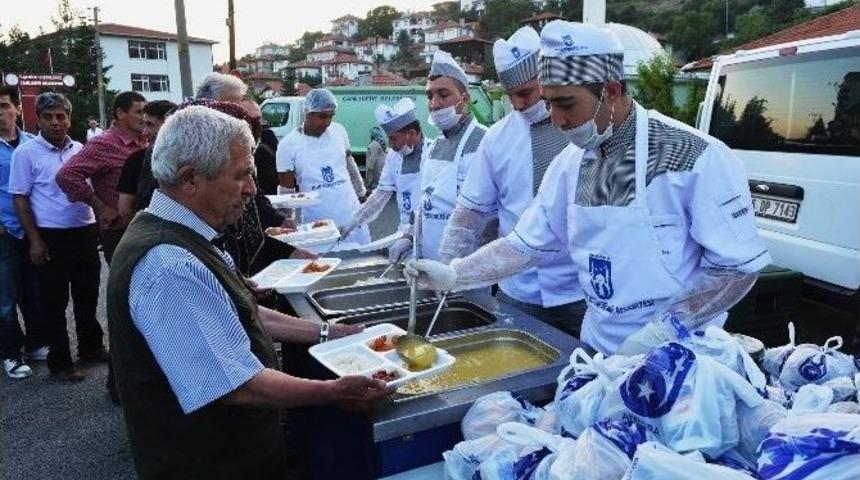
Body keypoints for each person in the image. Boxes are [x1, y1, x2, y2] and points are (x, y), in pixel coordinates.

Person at [405, 21, 771, 355]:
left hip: (679, 355)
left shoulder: (691, 155)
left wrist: (664, 330)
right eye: (549, 104)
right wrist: (456, 273)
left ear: (611, 90)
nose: (557, 120)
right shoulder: (571, 164)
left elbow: (736, 267)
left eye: (566, 104)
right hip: (596, 347)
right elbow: (525, 244)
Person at [107, 106, 391, 479]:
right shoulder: (169, 265)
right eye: (243, 175)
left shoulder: (189, 233)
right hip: (210, 464)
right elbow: (237, 385)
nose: (252, 190)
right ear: (190, 179)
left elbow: (244, 310)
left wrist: (332, 332)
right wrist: (334, 390)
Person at [437, 27, 586, 334]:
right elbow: (469, 215)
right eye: (509, 95)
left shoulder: (583, 130)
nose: (517, 104)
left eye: (526, 93)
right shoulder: (497, 139)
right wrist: (446, 267)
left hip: (580, 290)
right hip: (519, 290)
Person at [9, 93, 105, 381]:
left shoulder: (81, 149)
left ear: (69, 119)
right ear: (37, 120)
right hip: (51, 237)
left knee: (87, 296)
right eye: (48, 117)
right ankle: (60, 362)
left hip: (85, 232)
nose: (55, 122)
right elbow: (20, 199)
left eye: (60, 116)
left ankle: (90, 348)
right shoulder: (25, 153)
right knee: (54, 303)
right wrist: (35, 240)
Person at [388, 51, 487, 263]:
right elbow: (425, 204)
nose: (434, 104)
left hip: (466, 268)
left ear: (465, 98)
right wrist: (409, 235)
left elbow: (490, 217)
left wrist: (454, 261)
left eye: (443, 95)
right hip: (429, 263)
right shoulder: (433, 147)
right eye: (430, 96)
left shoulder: (485, 142)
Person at [56, 91, 147, 264]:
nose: (144, 117)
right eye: (139, 112)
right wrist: (100, 207)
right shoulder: (104, 143)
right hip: (120, 232)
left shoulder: (146, 140)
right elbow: (67, 175)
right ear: (120, 113)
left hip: (145, 228)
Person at [275, 88, 370, 245]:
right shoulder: (288, 145)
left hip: (351, 216)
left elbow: (350, 166)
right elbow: (286, 192)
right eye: (322, 116)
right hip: (318, 224)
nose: (327, 122)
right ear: (308, 112)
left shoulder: (339, 131)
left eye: (331, 116)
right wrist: (286, 223)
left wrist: (362, 196)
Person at [0, 86, 47, 379]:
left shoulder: (31, 144)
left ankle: (36, 344)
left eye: (4, 106)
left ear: (17, 108)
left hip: (32, 231)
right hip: (3, 232)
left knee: (34, 292)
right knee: (5, 299)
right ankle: (10, 354)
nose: (0, 114)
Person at [339, 98, 430, 239]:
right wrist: (352, 222)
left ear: (411, 133)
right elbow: (379, 196)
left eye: (393, 139)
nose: (390, 144)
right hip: (404, 233)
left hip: (430, 231)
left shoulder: (433, 153)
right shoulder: (393, 157)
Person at [116, 100, 176, 221]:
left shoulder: (190, 160)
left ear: (168, 126)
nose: (145, 132)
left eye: (150, 125)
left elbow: (125, 210)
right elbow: (125, 210)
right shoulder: (136, 161)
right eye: (143, 124)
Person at [240, 98, 280, 196]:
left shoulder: (268, 138)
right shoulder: (232, 150)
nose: (257, 125)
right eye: (251, 120)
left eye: (258, 119)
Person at [364, 126, 386, 192]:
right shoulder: (378, 143)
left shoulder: (374, 144)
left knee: (374, 178)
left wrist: (370, 167)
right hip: (379, 164)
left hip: (376, 165)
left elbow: (373, 157)